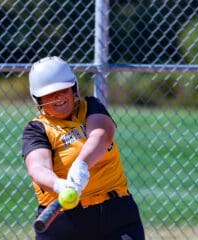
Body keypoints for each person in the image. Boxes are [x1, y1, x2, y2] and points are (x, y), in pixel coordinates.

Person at [22, 56, 145, 240]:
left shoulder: (91, 107)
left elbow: (101, 136)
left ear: (73, 89)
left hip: (116, 214)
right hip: (64, 220)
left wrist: (81, 165)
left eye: (63, 89)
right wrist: (59, 184)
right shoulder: (37, 129)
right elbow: (38, 168)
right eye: (49, 93)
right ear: (38, 100)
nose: (58, 97)